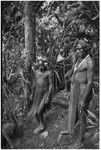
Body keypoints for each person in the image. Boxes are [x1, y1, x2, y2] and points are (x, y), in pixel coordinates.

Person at [58, 39, 94, 145]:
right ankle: (71, 130)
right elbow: (75, 71)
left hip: (83, 90)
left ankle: (81, 139)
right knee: (73, 110)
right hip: (75, 88)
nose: (77, 51)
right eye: (77, 49)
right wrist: (70, 89)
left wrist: (83, 100)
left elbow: (90, 82)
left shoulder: (89, 62)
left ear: (85, 50)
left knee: (81, 114)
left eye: (79, 49)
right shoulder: (79, 59)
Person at [28, 59, 53, 134]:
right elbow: (35, 84)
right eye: (39, 66)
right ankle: (40, 125)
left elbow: (51, 84)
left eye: (42, 66)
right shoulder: (37, 72)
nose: (41, 67)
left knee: (39, 110)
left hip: (45, 93)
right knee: (35, 111)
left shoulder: (49, 73)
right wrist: (32, 93)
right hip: (37, 93)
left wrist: (48, 96)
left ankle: (42, 126)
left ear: (45, 65)